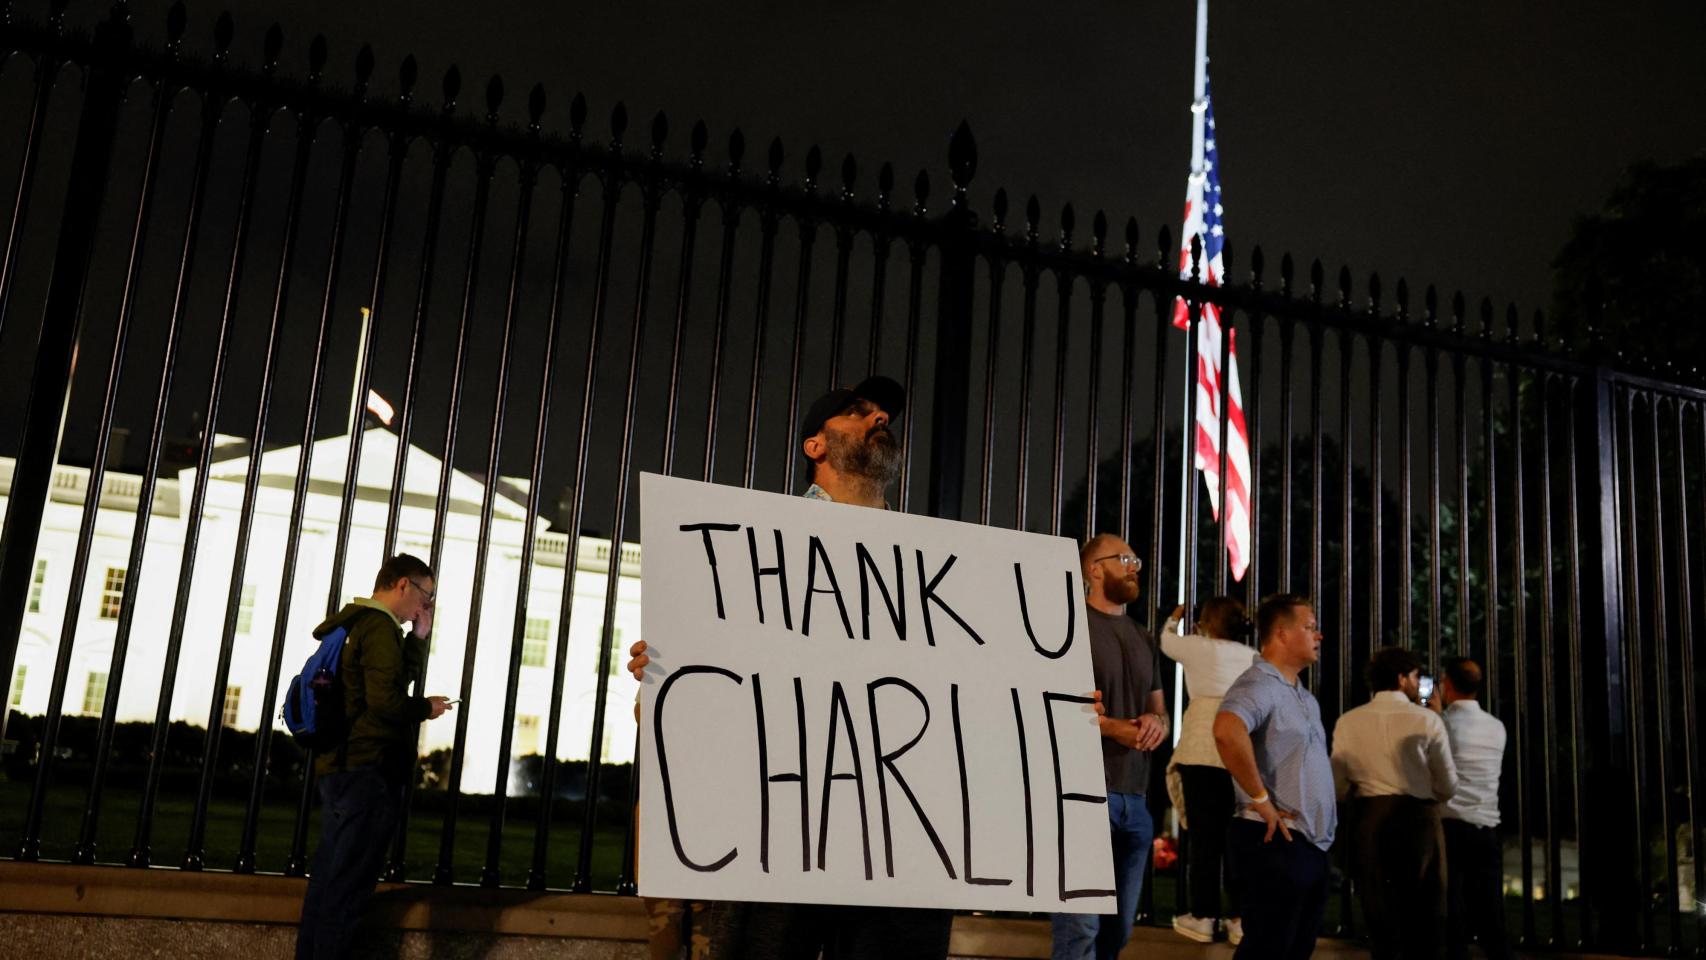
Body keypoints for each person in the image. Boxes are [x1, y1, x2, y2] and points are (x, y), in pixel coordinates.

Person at [628, 375, 954, 960]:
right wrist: (667, 671)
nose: (879, 419)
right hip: (781, 828)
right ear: (815, 447)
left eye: (885, 415)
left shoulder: (936, 567)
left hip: (895, 836)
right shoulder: (746, 547)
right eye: (859, 412)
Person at [296, 553, 453, 959]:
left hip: (337, 765)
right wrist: (427, 708)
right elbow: (386, 701)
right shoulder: (380, 627)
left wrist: (417, 637)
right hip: (367, 769)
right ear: (403, 585)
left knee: (327, 883)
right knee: (348, 890)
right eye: (426, 595)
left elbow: (385, 681)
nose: (426, 606)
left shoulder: (351, 621)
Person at [1049, 534, 1168, 960]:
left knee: (1117, 934)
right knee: (1079, 930)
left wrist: (1157, 723)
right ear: (1094, 569)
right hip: (1082, 797)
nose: (1134, 566)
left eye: (1135, 558)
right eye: (1123, 558)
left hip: (1135, 801)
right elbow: (1050, 706)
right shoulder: (1069, 627)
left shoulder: (1143, 636)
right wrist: (1110, 728)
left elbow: (1160, 712)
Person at [1212, 594, 1336, 960]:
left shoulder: (1303, 696)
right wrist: (1262, 801)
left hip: (1309, 845)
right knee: (1268, 950)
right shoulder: (1260, 683)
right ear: (1281, 634)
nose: (1319, 635)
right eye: (1310, 626)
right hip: (1277, 841)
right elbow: (1226, 730)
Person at [1330, 646, 1457, 960]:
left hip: (1371, 818)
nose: (1417, 683)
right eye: (1415, 676)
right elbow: (1448, 784)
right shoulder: (1427, 721)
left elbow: (1338, 783)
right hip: (1419, 819)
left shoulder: (1348, 721)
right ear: (1402, 678)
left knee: (1380, 911)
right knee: (1425, 913)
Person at [1161, 597, 1252, 946]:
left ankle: (1203, 916)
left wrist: (1174, 616)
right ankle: (1241, 918)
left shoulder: (1197, 647)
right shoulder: (1251, 657)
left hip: (1201, 746)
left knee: (1203, 839)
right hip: (1236, 746)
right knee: (1237, 839)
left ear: (1205, 624)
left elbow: (1166, 642)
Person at [1437, 657, 1510, 960]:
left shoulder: (1442, 724)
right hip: (1486, 825)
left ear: (1448, 684)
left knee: (1451, 908)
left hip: (1450, 825)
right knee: (1490, 909)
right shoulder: (1496, 727)